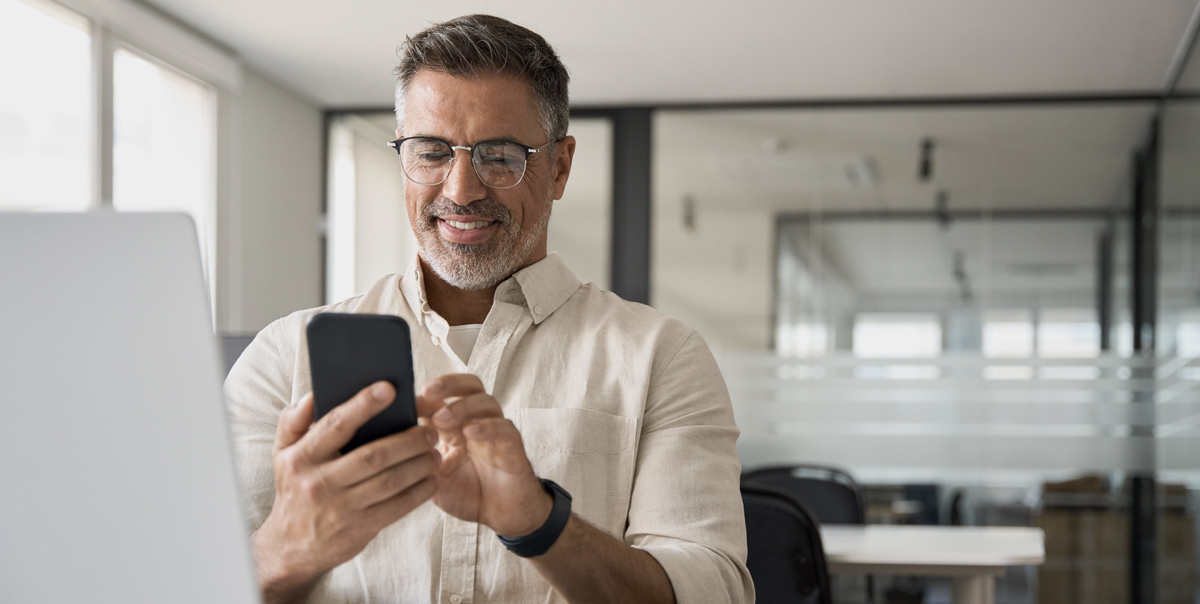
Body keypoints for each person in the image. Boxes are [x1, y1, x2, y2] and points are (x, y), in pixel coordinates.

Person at [225, 14, 753, 604]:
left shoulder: (661, 357)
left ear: (559, 167)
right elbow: (183, 580)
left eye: (499, 155)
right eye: (431, 152)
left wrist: (539, 522)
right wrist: (294, 543)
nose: (460, 190)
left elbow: (714, 591)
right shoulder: (283, 358)